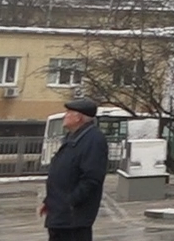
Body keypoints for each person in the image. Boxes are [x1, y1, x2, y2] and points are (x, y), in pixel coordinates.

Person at [41, 97, 108, 241]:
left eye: (69, 112)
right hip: (61, 215)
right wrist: (50, 202)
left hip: (73, 218)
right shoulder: (73, 137)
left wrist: (70, 202)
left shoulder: (93, 139)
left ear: (78, 118)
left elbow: (92, 177)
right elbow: (63, 174)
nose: (65, 116)